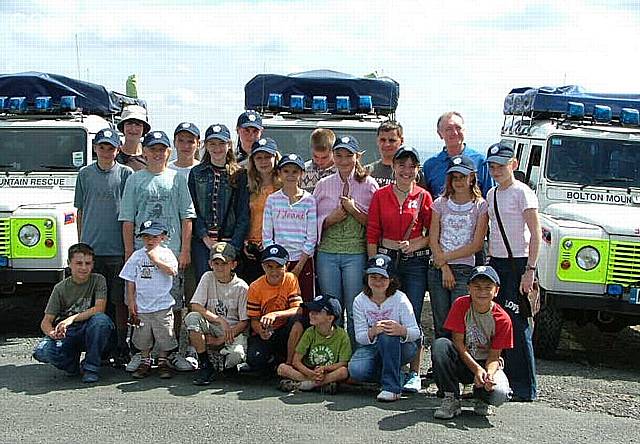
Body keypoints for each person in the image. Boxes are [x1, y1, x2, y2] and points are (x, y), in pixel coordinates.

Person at [119, 130, 196, 373]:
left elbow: (187, 216)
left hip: (169, 252)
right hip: (142, 252)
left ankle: (172, 353)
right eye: (153, 149)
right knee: (139, 304)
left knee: (172, 304)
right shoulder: (134, 179)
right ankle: (140, 354)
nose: (157, 153)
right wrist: (130, 252)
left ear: (168, 152)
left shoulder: (177, 179)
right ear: (145, 151)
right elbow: (128, 219)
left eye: (162, 149)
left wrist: (184, 250)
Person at [367, 146, 432, 393]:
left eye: (411, 166)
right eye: (401, 165)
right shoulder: (381, 195)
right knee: (385, 311)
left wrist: (415, 243)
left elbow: (430, 234)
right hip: (387, 262)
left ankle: (414, 372)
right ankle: (390, 366)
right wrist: (374, 267)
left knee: (411, 314)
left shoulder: (424, 197)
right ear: (393, 167)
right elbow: (372, 232)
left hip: (414, 262)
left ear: (417, 170)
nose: (406, 170)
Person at [485, 142, 541, 402]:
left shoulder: (523, 193)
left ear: (514, 165)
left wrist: (529, 270)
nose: (496, 170)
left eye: (501, 165)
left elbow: (536, 233)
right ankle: (502, 378)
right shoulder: (492, 194)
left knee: (518, 325)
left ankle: (525, 387)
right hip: (497, 262)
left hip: (519, 262)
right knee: (500, 322)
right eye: (492, 166)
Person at [74, 128, 133, 365]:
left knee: (119, 301)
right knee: (97, 302)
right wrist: (81, 246)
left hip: (117, 249)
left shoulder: (126, 173)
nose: (106, 152)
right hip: (93, 251)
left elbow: (129, 212)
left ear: (118, 149)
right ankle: (99, 347)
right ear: (95, 148)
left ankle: (121, 345)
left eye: (111, 148)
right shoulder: (84, 174)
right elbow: (80, 211)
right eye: (102, 147)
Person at [314, 135, 378, 346]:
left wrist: (354, 211)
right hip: (328, 253)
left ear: (357, 156)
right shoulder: (323, 184)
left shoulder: (369, 184)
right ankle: (334, 351)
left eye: (348, 155)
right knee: (332, 306)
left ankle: (357, 351)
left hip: (355, 253)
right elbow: (311, 219)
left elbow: (375, 222)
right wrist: (329, 220)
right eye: (338, 155)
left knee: (355, 306)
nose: (343, 160)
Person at [432, 265, 513, 419]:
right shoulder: (461, 304)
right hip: (464, 360)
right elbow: (457, 342)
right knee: (440, 345)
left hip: (486, 361)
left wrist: (487, 374)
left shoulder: (503, 319)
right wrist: (476, 369)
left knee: (499, 394)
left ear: (496, 291)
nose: (482, 292)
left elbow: (495, 356)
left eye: (488, 287)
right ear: (468, 288)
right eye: (477, 287)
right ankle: (451, 397)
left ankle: (481, 398)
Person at [33, 243, 114, 383]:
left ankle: (91, 368)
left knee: (101, 320)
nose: (83, 267)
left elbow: (99, 308)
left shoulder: (98, 280)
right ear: (69, 264)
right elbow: (46, 322)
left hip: (90, 328)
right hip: (69, 333)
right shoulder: (60, 288)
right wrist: (53, 334)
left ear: (93, 264)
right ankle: (71, 365)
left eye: (87, 263)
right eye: (78, 263)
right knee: (42, 351)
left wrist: (70, 319)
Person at [429, 155, 488, 339]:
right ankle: (440, 365)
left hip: (464, 269)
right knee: (441, 322)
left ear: (472, 177)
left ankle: (459, 365)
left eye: (463, 176)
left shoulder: (480, 206)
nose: (459, 181)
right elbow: (433, 237)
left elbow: (477, 244)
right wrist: (444, 266)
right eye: (455, 177)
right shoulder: (440, 203)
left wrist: (445, 258)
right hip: (439, 269)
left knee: (460, 324)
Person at [348, 254, 420, 402]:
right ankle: (396, 375)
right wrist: (373, 331)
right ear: (366, 278)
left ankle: (391, 387)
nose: (378, 282)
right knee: (356, 370)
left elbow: (416, 333)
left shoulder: (400, 298)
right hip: (372, 348)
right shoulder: (359, 300)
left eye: (383, 278)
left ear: (391, 279)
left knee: (388, 334)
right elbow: (360, 337)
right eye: (373, 277)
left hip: (401, 347)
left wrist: (401, 330)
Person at [188, 123, 250, 282]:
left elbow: (243, 213)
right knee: (204, 286)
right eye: (212, 143)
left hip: (230, 242)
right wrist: (205, 237)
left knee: (229, 288)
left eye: (221, 143)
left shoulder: (239, 174)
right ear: (205, 146)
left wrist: (234, 246)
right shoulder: (196, 173)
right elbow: (192, 209)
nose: (217, 148)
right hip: (203, 244)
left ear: (229, 145)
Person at [119, 221, 179, 379]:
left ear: (163, 237)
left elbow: (172, 271)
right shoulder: (137, 256)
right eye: (146, 237)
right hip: (142, 306)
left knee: (165, 333)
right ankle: (145, 359)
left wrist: (156, 260)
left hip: (162, 305)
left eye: (154, 236)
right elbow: (130, 280)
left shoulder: (167, 254)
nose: (150, 240)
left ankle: (163, 360)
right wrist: (131, 302)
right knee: (142, 336)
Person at [186, 242, 249, 386]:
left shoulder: (242, 287)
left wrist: (220, 340)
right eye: (216, 263)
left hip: (232, 332)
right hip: (213, 325)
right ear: (210, 263)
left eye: (224, 263)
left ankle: (228, 366)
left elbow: (244, 322)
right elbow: (195, 305)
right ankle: (205, 364)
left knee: (236, 355)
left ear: (233, 264)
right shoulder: (208, 277)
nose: (220, 268)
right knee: (192, 318)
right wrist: (219, 320)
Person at [262, 153, 317, 302]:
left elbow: (312, 237)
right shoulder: (272, 200)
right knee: (279, 301)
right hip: (278, 261)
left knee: (304, 301)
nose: (290, 175)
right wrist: (277, 262)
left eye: (295, 171)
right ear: (279, 173)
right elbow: (267, 235)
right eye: (286, 171)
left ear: (302, 174)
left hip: (303, 261)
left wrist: (299, 266)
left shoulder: (309, 200)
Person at [277, 294, 351, 394]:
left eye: (317, 312)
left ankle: (304, 385)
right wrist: (310, 374)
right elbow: (296, 361)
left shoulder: (342, 335)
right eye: (311, 311)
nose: (311, 314)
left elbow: (343, 363)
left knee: (343, 371)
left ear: (330, 318)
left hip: (327, 371)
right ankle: (319, 384)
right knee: (282, 368)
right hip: (308, 370)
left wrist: (324, 368)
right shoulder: (309, 332)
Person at [246, 244, 303, 373]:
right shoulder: (255, 287)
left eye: (279, 267)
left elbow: (298, 309)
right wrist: (261, 331)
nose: (274, 271)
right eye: (269, 267)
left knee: (298, 320)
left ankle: (289, 363)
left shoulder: (290, 279)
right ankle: (274, 361)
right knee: (255, 360)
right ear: (263, 266)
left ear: (286, 266)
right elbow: (254, 320)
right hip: (265, 331)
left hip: (284, 329)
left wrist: (275, 314)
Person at [422, 111, 493, 198]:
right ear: (440, 133)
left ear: (464, 130)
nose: (454, 132)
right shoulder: (430, 165)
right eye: (449, 129)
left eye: (458, 128)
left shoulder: (481, 161)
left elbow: (490, 197)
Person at [241, 137, 281, 284]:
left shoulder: (284, 186)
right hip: (252, 248)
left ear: (275, 158)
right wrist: (245, 240)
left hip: (276, 247)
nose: (263, 161)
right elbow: (243, 217)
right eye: (259, 158)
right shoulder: (248, 187)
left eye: (267, 157)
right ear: (253, 161)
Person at [366, 121, 424, 188]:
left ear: (401, 141)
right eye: (383, 140)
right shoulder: (367, 171)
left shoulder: (412, 173)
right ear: (377, 141)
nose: (387, 144)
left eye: (392, 140)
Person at [300, 128, 337, 192]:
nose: (319, 161)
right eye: (316, 156)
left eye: (324, 157)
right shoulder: (302, 171)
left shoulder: (341, 171)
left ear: (333, 151)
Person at [116, 105, 151, 171]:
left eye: (138, 125)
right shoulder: (113, 154)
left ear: (144, 129)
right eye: (129, 123)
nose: (133, 129)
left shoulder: (150, 155)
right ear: (123, 127)